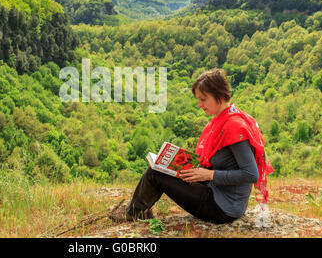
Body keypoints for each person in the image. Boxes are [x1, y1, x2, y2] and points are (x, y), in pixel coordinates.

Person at [109, 68, 273, 224]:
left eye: (203, 99)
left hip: (223, 207)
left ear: (220, 96)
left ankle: (132, 215)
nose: (200, 105)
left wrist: (209, 175)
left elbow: (251, 174)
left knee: (154, 173)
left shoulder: (233, 126)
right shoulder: (222, 120)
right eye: (198, 100)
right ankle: (141, 211)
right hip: (217, 192)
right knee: (160, 168)